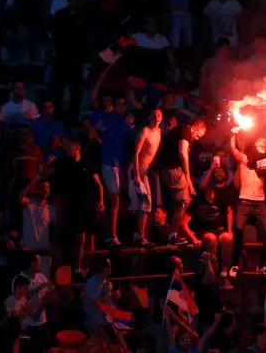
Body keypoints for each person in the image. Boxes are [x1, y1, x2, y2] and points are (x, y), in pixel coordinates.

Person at [42, 137, 104, 281]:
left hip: (87, 205)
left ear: (77, 147)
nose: (67, 148)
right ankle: (77, 267)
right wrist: (48, 163)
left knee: (90, 237)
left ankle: (88, 267)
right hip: (72, 205)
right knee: (78, 237)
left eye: (69, 145)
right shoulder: (65, 162)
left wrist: (101, 201)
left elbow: (98, 184)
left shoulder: (87, 164)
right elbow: (45, 173)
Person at [229, 130, 266, 271]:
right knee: (238, 231)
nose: (262, 141)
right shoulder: (245, 159)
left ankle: (261, 264)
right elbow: (233, 149)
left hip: (260, 203)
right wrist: (233, 134)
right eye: (260, 140)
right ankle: (235, 265)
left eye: (264, 141)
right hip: (244, 201)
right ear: (255, 145)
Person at [87, 95, 134, 248]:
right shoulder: (107, 118)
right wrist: (97, 138)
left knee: (117, 199)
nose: (121, 106)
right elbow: (88, 120)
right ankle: (111, 236)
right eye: (118, 103)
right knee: (114, 199)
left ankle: (112, 235)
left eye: (123, 104)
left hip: (118, 164)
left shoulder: (126, 121)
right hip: (108, 162)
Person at [158, 119, 208, 244]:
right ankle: (172, 235)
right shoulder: (185, 129)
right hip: (172, 168)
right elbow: (182, 152)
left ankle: (174, 232)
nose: (196, 139)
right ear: (194, 128)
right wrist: (187, 175)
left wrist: (188, 180)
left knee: (186, 199)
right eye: (197, 135)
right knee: (184, 200)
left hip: (175, 168)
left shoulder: (184, 133)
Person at [133, 108, 163, 247]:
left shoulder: (159, 132)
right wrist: (137, 174)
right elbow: (136, 152)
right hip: (141, 169)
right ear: (150, 117)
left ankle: (143, 235)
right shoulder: (145, 131)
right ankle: (140, 237)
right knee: (145, 202)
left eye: (159, 115)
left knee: (150, 205)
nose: (156, 117)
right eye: (154, 115)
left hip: (149, 170)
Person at [11, 255, 52, 353]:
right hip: (27, 325)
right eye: (39, 261)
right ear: (32, 264)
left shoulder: (41, 277)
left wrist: (43, 304)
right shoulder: (19, 279)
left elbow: (48, 295)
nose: (41, 264)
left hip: (42, 323)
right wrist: (38, 288)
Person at [18, 180, 57, 276]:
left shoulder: (51, 208)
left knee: (43, 285)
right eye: (42, 187)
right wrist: (33, 179)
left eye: (47, 187)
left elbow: (54, 230)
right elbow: (19, 198)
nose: (45, 190)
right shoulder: (29, 203)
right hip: (29, 253)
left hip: (44, 253)